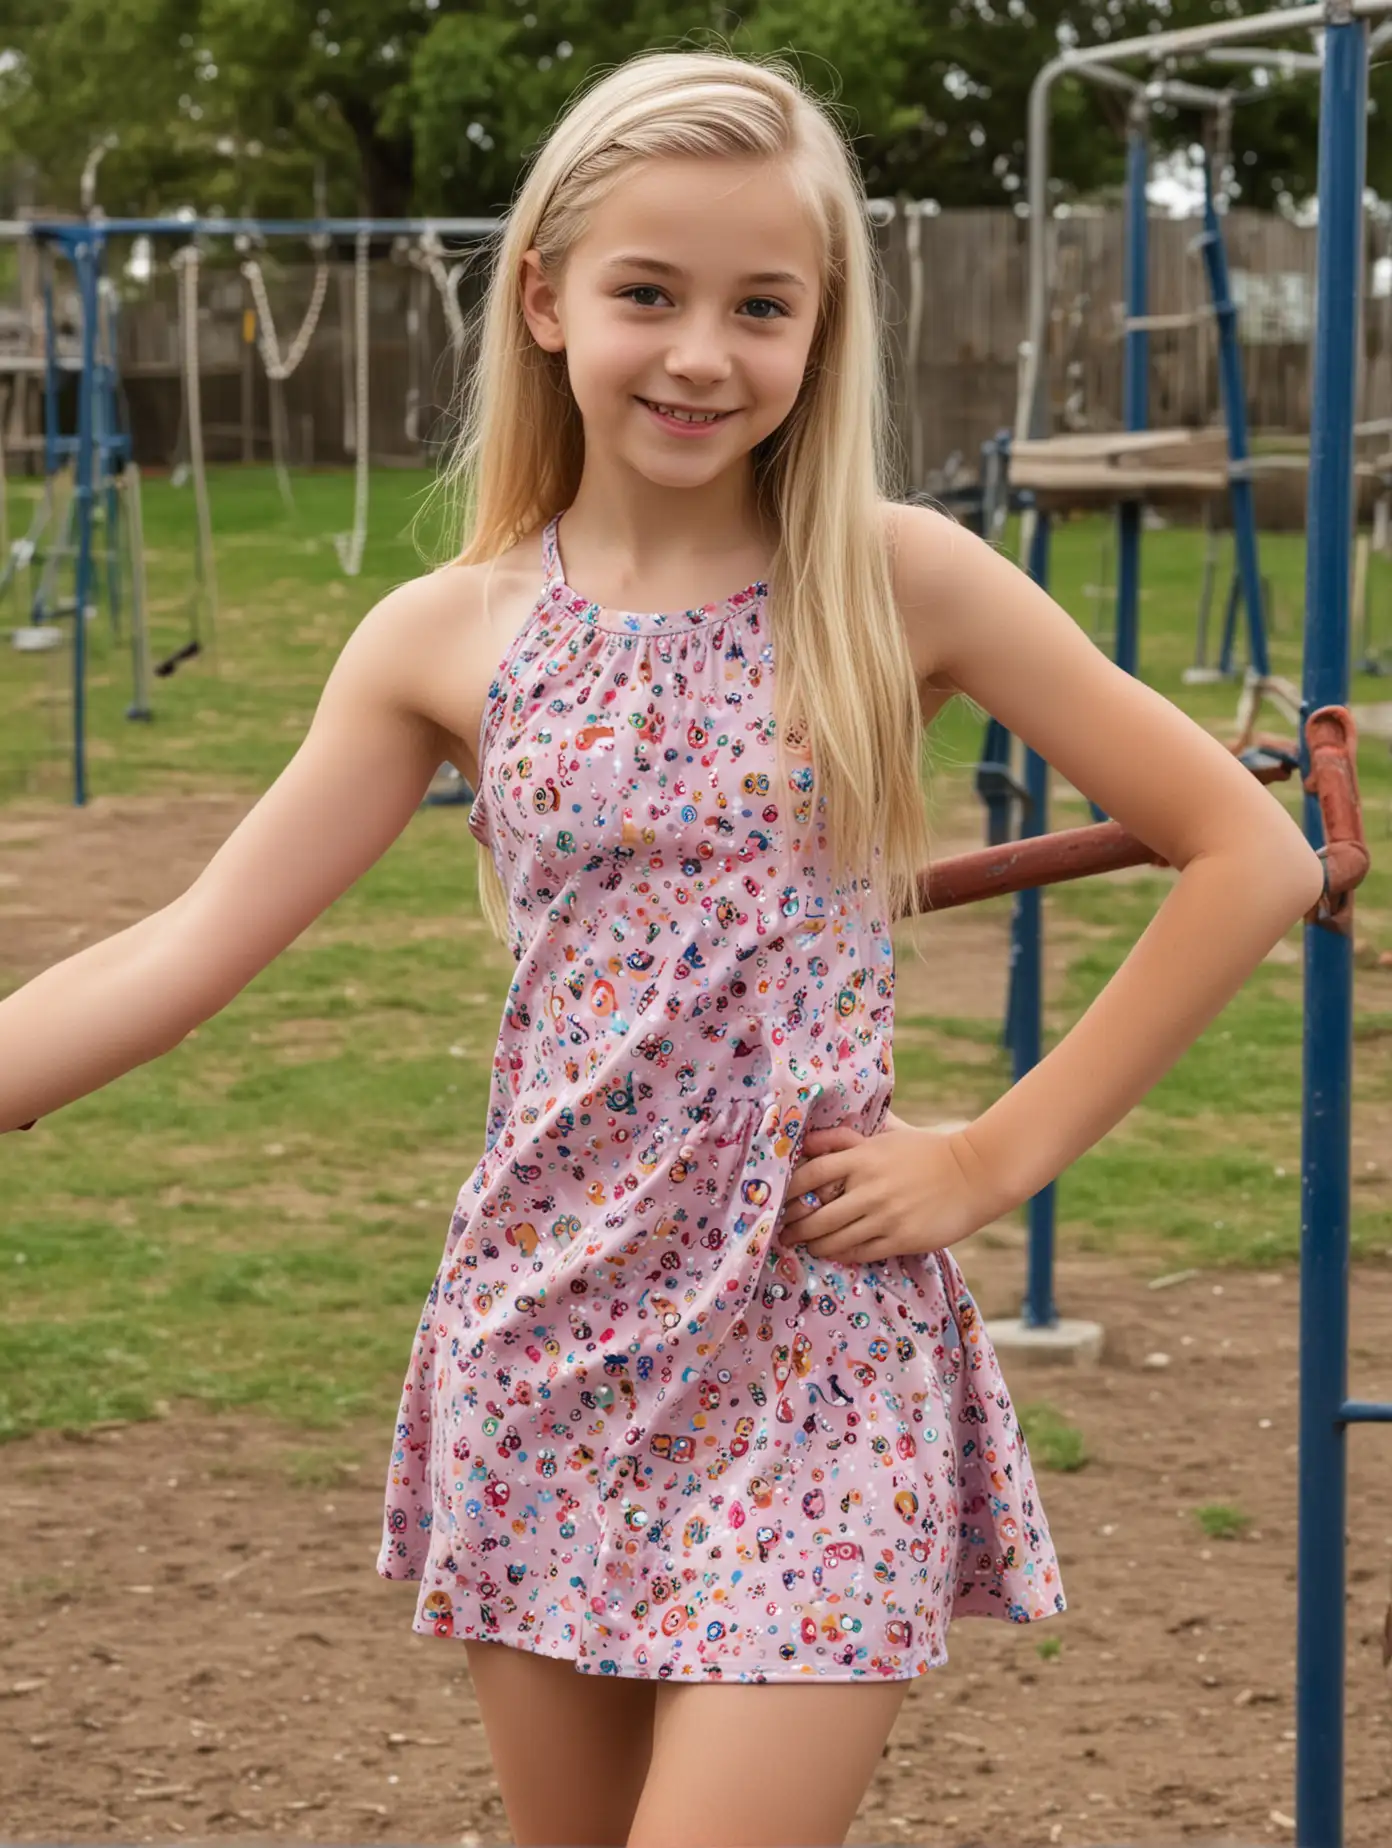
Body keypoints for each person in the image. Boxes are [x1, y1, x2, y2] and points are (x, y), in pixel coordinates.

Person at [0, 46, 1323, 1848]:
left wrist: (989, 1158)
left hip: (810, 1337)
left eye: (760, 307)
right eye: (649, 293)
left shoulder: (896, 577)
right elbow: (188, 942)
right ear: (546, 298)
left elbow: (1244, 853)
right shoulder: (443, 635)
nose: (704, 352)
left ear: (817, 330)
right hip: (545, 1337)